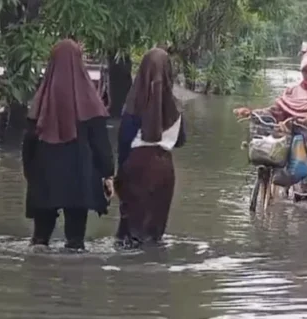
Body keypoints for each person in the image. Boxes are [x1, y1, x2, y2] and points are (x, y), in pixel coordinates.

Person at [22, 39, 115, 252]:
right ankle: (74, 281)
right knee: (75, 243)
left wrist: (28, 171)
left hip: (44, 177)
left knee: (39, 241)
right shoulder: (90, 102)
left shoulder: (41, 101)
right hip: (79, 180)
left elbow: (28, 143)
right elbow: (101, 144)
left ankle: (37, 278)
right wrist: (109, 174)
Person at [234, 51, 307, 208]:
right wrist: (252, 112)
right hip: (303, 151)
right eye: (305, 71)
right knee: (304, 203)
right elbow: (277, 112)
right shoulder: (294, 92)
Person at [115, 48, 186, 247]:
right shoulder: (176, 104)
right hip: (165, 169)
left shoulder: (135, 102)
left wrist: (119, 174)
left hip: (137, 167)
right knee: (154, 233)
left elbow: (124, 141)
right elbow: (180, 140)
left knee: (130, 234)